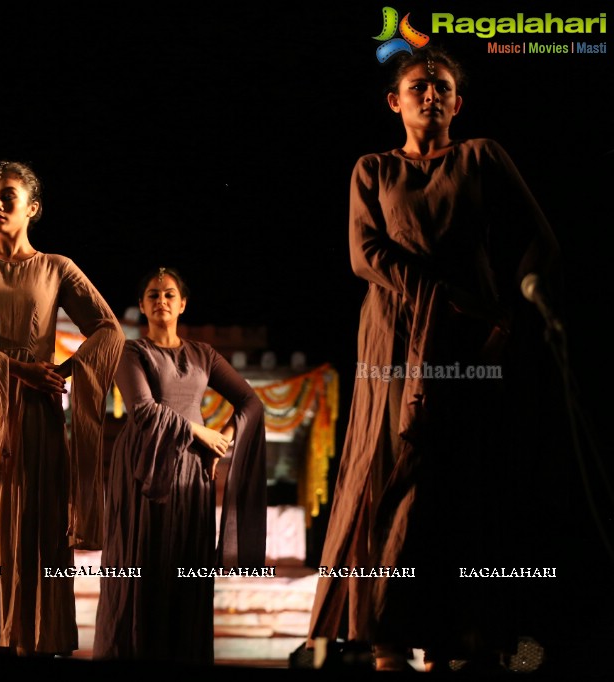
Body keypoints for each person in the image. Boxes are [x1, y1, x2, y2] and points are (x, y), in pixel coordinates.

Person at [306, 47, 561, 672]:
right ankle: (386, 631)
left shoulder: (482, 157)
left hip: (471, 342)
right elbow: (364, 254)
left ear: (458, 101)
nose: (431, 95)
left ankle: (462, 636)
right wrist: (450, 296)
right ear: (394, 101)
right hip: (394, 339)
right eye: (419, 86)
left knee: (462, 477)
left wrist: (520, 310)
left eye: (443, 87)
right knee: (391, 467)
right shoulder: (373, 169)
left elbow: (539, 241)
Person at [0, 159, 124, 656]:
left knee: (31, 524)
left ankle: (30, 637)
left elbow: (108, 329)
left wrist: (68, 370)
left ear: (32, 208)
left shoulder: (57, 268)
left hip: (35, 413)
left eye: (8, 195)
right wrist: (20, 370)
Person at [92, 266, 267, 665]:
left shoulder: (204, 353)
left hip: (192, 475)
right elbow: (144, 410)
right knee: (141, 567)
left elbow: (251, 403)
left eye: (169, 294)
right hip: (144, 468)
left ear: (183, 303)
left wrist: (221, 438)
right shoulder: (130, 351)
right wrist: (201, 433)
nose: (161, 301)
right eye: (152, 294)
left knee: (185, 569)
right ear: (141, 305)